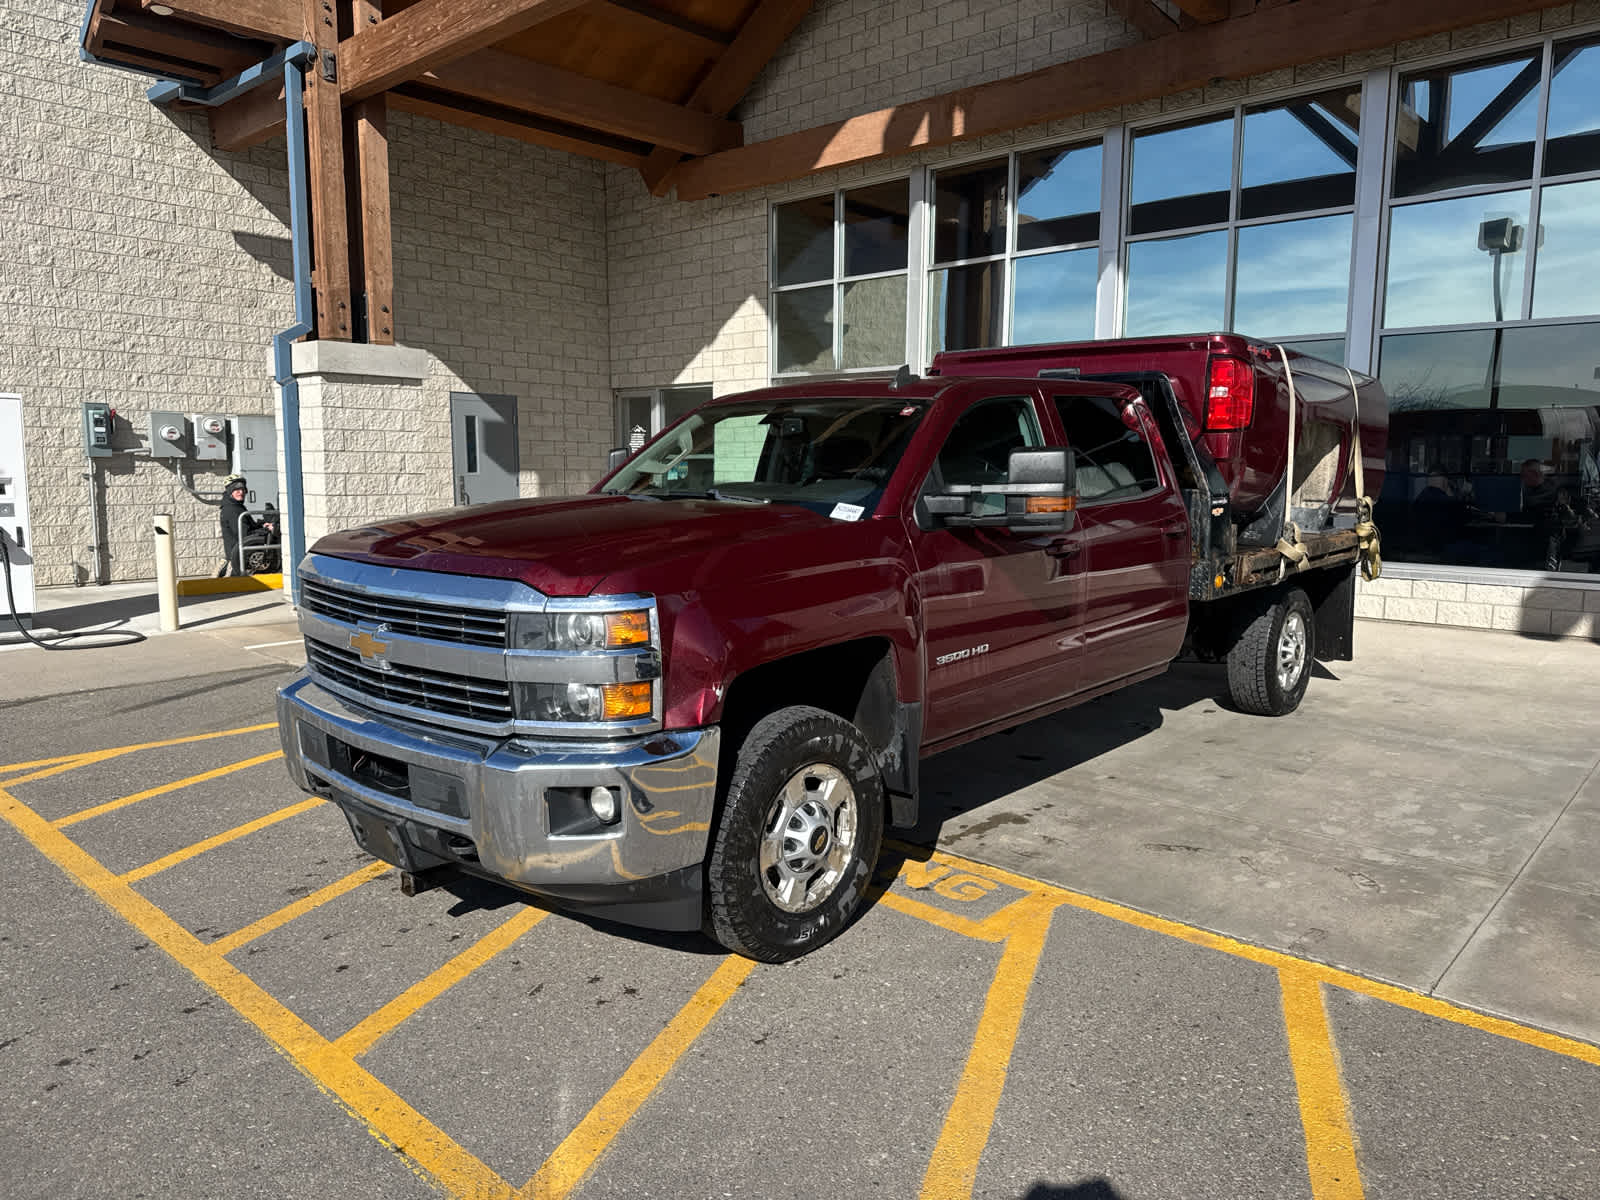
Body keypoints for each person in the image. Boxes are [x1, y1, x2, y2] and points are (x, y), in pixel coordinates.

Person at [217, 475, 274, 576]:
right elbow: (244, 534)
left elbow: (248, 526)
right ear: (230, 492)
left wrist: (262, 525)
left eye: (243, 489)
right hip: (240, 557)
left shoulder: (236, 506)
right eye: (237, 490)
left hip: (239, 554)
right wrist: (264, 530)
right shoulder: (232, 510)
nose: (241, 492)